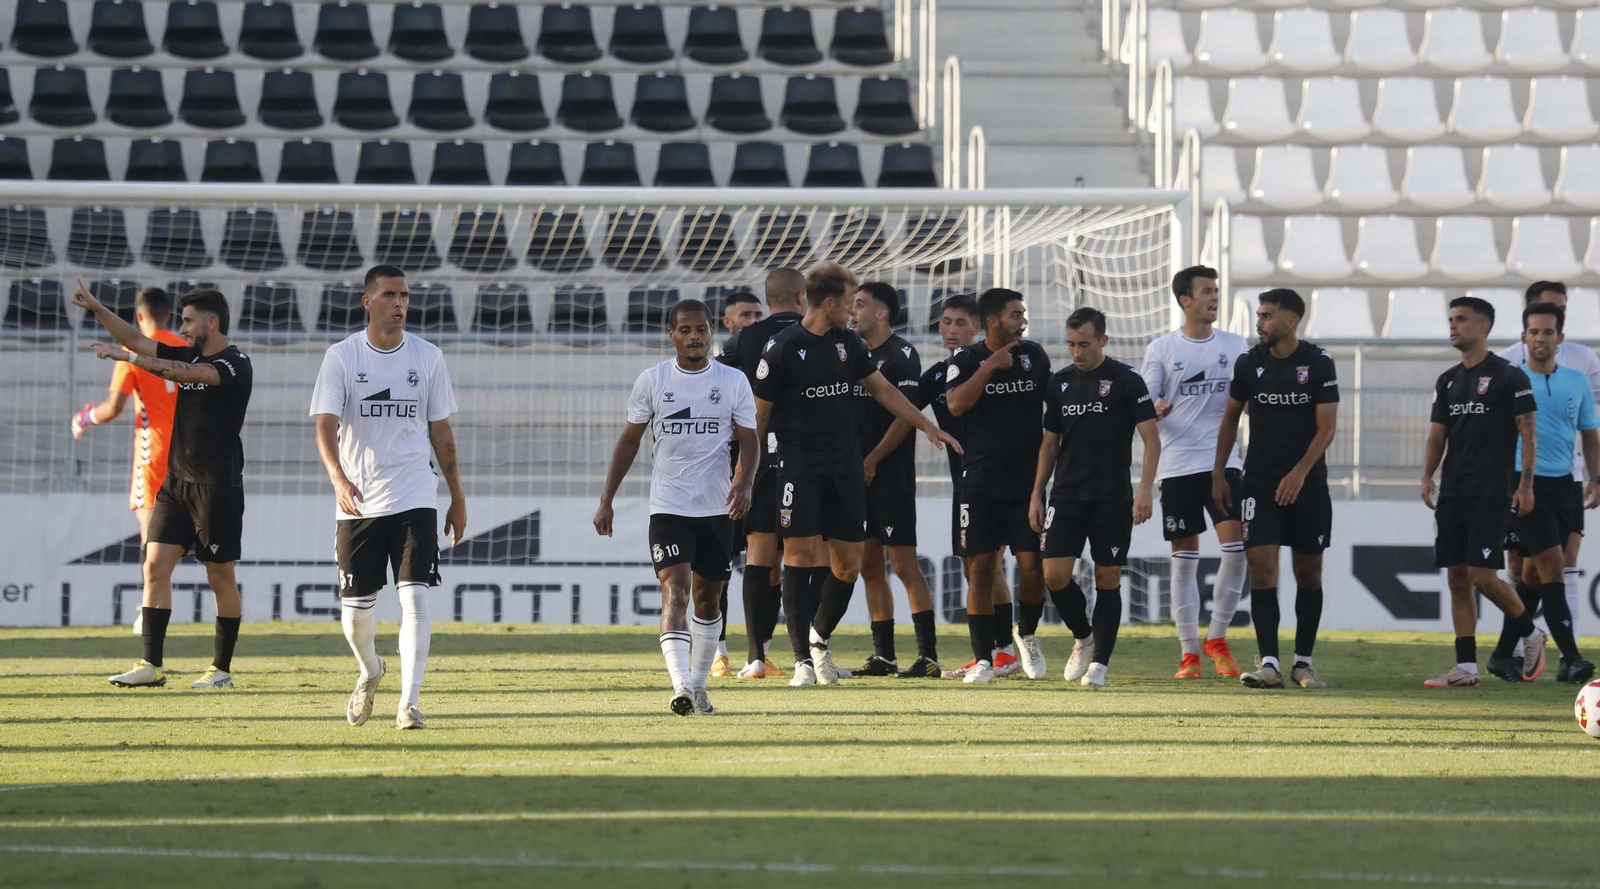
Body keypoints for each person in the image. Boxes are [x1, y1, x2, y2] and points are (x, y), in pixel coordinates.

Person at [751, 262, 959, 687]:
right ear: (829, 302)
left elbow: (882, 390)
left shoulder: (849, 343)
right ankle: (802, 662)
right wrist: (746, 472)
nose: (852, 309)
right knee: (799, 558)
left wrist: (926, 425)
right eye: (849, 301)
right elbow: (758, 416)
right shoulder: (782, 348)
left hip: (845, 469)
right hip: (799, 468)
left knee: (849, 565)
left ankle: (818, 638)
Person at [74, 279, 253, 690]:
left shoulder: (235, 363)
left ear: (212, 322)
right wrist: (98, 309)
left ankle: (221, 670)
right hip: (175, 483)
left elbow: (186, 372)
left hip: (216, 486)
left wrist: (128, 359)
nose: (183, 328)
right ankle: (150, 665)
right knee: (154, 566)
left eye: (189, 321)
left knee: (219, 577)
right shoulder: (189, 351)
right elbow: (137, 338)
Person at [309, 265, 466, 730]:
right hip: (358, 501)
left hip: (415, 494)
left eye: (405, 295)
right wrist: (338, 479)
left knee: (415, 598)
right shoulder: (342, 357)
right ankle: (370, 669)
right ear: (368, 301)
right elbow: (324, 426)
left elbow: (442, 431)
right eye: (390, 295)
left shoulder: (428, 357)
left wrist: (457, 495)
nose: (400, 303)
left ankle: (409, 704)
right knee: (356, 615)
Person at [595, 299, 757, 716]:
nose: (694, 337)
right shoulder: (652, 380)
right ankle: (680, 684)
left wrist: (743, 483)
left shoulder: (733, 380)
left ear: (711, 331)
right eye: (685, 330)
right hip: (668, 506)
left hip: (718, 508)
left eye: (701, 329)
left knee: (709, 599)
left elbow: (750, 440)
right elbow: (629, 440)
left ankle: (699, 685)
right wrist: (607, 500)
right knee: (676, 590)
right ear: (672, 334)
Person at [1213, 289, 1337, 690]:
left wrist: (1300, 472)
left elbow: (1327, 428)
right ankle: (1269, 663)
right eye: (1259, 315)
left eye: (1267, 316)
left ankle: (1303, 663)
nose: (1259, 323)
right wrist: (1219, 472)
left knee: (1308, 574)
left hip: (1308, 484)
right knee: (1262, 569)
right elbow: (1230, 419)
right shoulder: (1249, 363)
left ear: (1291, 320)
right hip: (1260, 482)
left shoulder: (1318, 362)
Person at [1420, 297, 1547, 688]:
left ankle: (1531, 633)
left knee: (1482, 576)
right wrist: (1427, 476)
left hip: (1491, 492)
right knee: (1457, 578)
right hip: (1453, 493)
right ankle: (1466, 668)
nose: (1453, 325)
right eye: (1450, 319)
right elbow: (1437, 435)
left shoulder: (1509, 376)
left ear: (1483, 327)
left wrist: (1525, 485)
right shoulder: (1448, 380)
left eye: (1461, 319)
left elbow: (1528, 434)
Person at [888, 294, 1017, 679]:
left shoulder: (997, 367)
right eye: (946, 322)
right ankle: (992, 651)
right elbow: (905, 410)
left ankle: (1005, 650)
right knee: (973, 567)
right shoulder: (937, 376)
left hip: (998, 481)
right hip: (965, 483)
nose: (951, 329)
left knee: (988, 565)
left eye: (961, 322)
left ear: (978, 326)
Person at [1030, 308, 1159, 687]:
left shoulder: (1126, 380)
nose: (1076, 352)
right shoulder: (1060, 383)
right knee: (1054, 576)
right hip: (1066, 496)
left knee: (1107, 576)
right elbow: (1050, 444)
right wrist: (1036, 493)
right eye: (1071, 344)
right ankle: (1084, 637)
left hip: (1112, 497)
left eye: (1084, 344)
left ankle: (1099, 664)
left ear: (1103, 340)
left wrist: (1145, 489)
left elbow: (1151, 439)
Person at [1140, 266, 1250, 679]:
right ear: (1185, 300)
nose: (1214, 297)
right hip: (1178, 466)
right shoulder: (1162, 348)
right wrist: (1155, 407)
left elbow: (1247, 400)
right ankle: (1189, 655)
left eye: (1215, 291)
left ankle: (1217, 638)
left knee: (1236, 550)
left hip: (1224, 463)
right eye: (1206, 291)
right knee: (1185, 561)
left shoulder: (1235, 345)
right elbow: (1144, 402)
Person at [945, 288, 1052, 684]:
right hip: (980, 483)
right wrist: (990, 366)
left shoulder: (1034, 355)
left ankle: (1026, 635)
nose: (1023, 321)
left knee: (1033, 567)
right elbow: (955, 405)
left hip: (1026, 484)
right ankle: (984, 660)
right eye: (1015, 315)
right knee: (980, 570)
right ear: (992, 322)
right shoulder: (965, 360)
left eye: (1023, 314)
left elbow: (1054, 404)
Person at [69, 287, 187, 635]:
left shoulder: (133, 352)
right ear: (170, 316)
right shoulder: (184, 348)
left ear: (139, 316)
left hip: (154, 454)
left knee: (151, 535)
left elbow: (113, 408)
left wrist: (85, 417)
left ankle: (149, 608)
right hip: (188, 450)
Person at [1495, 281, 1599, 672]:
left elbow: (1590, 432)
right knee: (1553, 566)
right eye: (1534, 331)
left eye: (1548, 332)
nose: (1541, 338)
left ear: (1560, 339)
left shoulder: (1577, 379)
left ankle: (1502, 654)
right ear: (1524, 337)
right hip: (1525, 484)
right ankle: (1571, 658)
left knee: (1534, 575)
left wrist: (1596, 477)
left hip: (1566, 484)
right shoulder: (1509, 380)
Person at [717, 269, 812, 680]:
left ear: (768, 300)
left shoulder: (745, 340)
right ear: (801, 295)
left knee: (759, 553)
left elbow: (716, 389)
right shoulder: (818, 334)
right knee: (802, 555)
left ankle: (756, 657)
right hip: (805, 459)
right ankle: (808, 653)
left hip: (754, 457)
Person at [850, 282, 939, 677]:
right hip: (857, 476)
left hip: (891, 476)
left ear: (881, 312)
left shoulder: (902, 354)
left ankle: (928, 656)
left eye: (860, 304)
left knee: (904, 565)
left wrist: (872, 460)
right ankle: (884, 655)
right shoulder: (853, 354)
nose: (853, 311)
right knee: (869, 566)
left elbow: (907, 416)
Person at [704, 291, 763, 678]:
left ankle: (760, 653)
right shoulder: (719, 371)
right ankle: (718, 652)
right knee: (719, 567)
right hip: (723, 481)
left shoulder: (774, 359)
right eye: (745, 315)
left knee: (767, 565)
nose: (753, 321)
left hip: (764, 474)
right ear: (727, 323)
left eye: (758, 314)